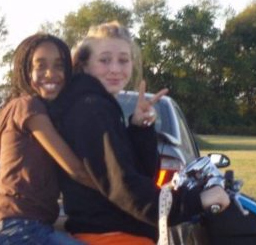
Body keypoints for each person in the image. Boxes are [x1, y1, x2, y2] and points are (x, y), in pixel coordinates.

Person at [50, 21, 230, 245]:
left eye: (123, 60)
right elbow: (124, 187)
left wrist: (139, 128)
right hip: (110, 237)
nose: (115, 68)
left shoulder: (100, 106)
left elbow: (142, 174)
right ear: (85, 65)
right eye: (104, 60)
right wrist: (198, 200)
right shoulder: (92, 108)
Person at [0, 33, 92, 245]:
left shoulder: (22, 108)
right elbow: (76, 170)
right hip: (17, 228)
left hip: (18, 226)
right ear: (26, 71)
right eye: (40, 66)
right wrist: (123, 195)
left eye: (59, 66)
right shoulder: (28, 107)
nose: (51, 74)